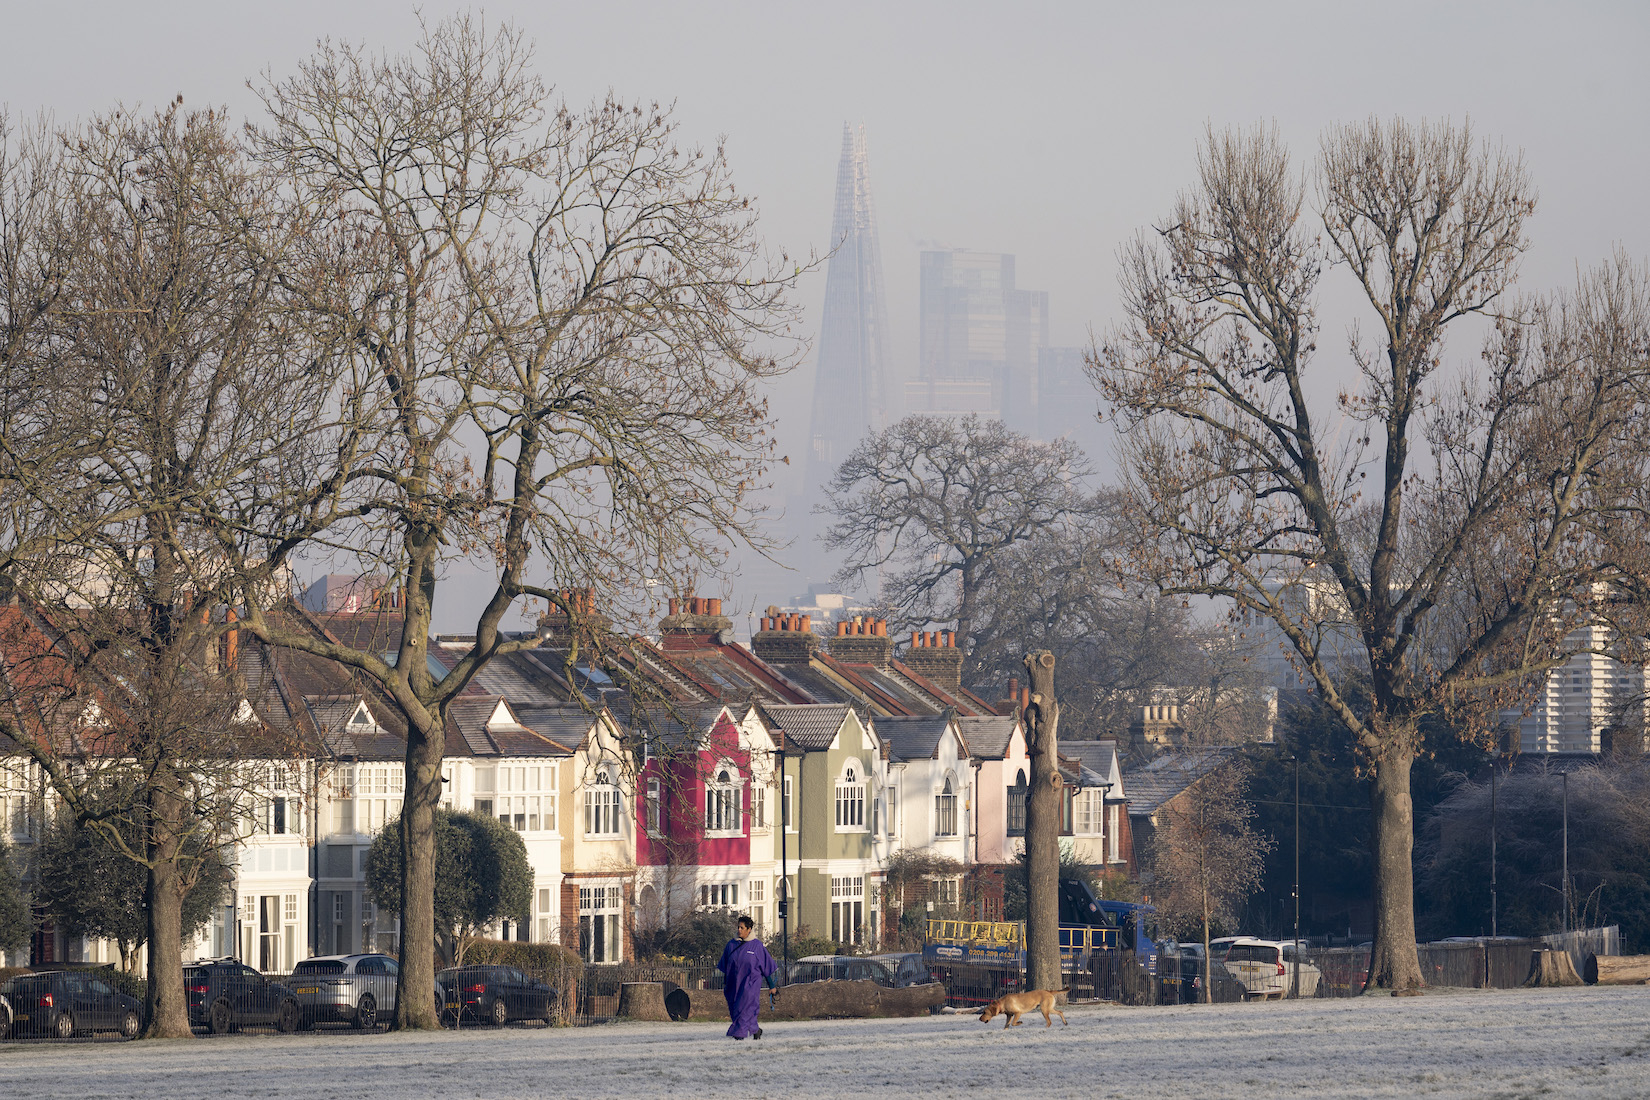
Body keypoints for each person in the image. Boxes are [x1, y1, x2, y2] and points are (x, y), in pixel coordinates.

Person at [716, 914, 778, 1039]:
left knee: (744, 1009)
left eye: (742, 928)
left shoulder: (757, 946)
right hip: (734, 985)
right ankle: (755, 1030)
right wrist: (725, 985)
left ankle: (739, 1034)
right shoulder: (731, 945)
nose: (739, 930)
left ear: (749, 930)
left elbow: (765, 967)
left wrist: (772, 986)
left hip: (750, 985)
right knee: (735, 1010)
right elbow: (725, 966)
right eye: (738, 927)